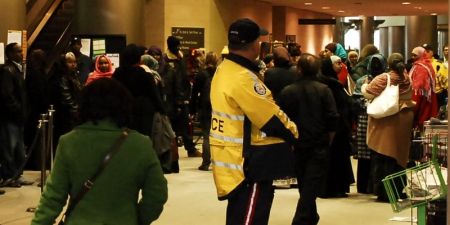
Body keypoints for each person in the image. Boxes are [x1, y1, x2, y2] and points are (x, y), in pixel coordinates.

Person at [31, 78, 168, 225]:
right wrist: (138, 219)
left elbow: (53, 196)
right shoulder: (141, 144)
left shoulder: (69, 142)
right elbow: (157, 194)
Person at [210, 18, 298, 225]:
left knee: (239, 215)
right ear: (254, 45)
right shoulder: (243, 78)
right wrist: (295, 132)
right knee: (251, 216)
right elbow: (270, 118)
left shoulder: (224, 69)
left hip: (233, 157)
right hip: (251, 163)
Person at [278, 53, 339, 225]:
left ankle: (306, 218)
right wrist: (329, 140)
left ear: (299, 69)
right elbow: (333, 118)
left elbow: (281, 118)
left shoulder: (287, 91)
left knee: (306, 183)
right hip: (318, 143)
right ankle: (306, 218)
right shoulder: (324, 90)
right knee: (309, 184)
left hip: (296, 144)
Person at [361, 53, 415, 202]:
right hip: (404, 117)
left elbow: (368, 93)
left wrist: (365, 84)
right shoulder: (408, 78)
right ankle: (399, 189)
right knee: (399, 155)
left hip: (386, 118)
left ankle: (384, 191)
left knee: (383, 154)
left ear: (388, 64)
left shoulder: (384, 78)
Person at [318, 55, 355, 198]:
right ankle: (336, 187)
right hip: (336, 127)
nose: (341, 65)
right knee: (336, 158)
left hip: (330, 127)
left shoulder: (325, 83)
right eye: (337, 63)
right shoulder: (332, 85)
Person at [162, 36, 202, 159]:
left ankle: (190, 148)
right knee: (172, 126)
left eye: (179, 45)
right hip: (171, 98)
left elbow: (184, 77)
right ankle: (171, 151)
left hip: (183, 96)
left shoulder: (181, 57)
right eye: (175, 45)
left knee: (185, 124)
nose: (178, 48)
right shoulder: (166, 60)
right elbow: (169, 82)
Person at [0, 42, 31, 188]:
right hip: (10, 117)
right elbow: (8, 94)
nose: (21, 53)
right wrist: (17, 110)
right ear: (10, 54)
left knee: (19, 147)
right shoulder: (7, 70)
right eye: (18, 51)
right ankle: (9, 176)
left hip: (17, 117)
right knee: (9, 147)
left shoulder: (16, 69)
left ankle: (16, 174)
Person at [190, 51, 220, 171]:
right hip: (218, 106)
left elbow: (194, 93)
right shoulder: (220, 73)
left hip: (205, 106)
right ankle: (218, 162)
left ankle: (206, 162)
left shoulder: (201, 74)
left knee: (207, 135)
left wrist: (192, 109)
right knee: (218, 136)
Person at [408, 46, 439, 129]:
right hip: (429, 97)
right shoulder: (427, 64)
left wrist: (413, 107)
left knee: (421, 124)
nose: (413, 57)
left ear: (422, 55)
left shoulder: (420, 67)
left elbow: (418, 88)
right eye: (412, 55)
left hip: (422, 99)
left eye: (415, 55)